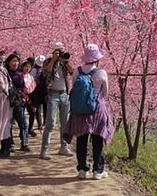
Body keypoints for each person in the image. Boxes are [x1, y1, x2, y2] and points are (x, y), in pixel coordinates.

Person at [63, 44, 114, 180]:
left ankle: (82, 170)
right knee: (97, 140)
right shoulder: (101, 72)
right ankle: (98, 171)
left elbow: (74, 88)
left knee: (81, 140)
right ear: (96, 58)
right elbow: (105, 92)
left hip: (80, 110)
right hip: (97, 109)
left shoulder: (77, 71)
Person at [39, 42, 74, 159]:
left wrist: (66, 61)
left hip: (65, 94)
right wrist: (54, 60)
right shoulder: (48, 62)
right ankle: (44, 150)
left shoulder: (64, 62)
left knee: (65, 123)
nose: (60, 53)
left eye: (61, 51)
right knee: (50, 123)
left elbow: (73, 72)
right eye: (57, 51)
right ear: (53, 52)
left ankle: (64, 147)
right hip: (52, 94)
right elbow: (46, 72)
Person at [5, 53, 30, 152]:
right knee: (9, 123)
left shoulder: (20, 75)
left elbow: (23, 87)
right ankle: (10, 144)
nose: (15, 63)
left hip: (19, 101)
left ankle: (24, 143)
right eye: (13, 61)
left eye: (17, 61)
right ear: (8, 62)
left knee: (23, 123)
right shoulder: (6, 74)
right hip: (8, 101)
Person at [21, 60, 39, 137]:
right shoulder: (20, 76)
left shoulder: (30, 77)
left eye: (29, 67)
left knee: (32, 113)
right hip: (21, 97)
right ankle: (23, 131)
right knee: (21, 115)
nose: (27, 69)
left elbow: (34, 86)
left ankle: (30, 129)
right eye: (26, 67)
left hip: (30, 97)